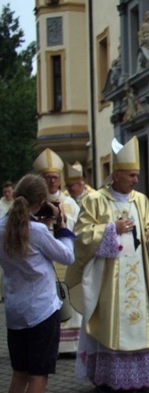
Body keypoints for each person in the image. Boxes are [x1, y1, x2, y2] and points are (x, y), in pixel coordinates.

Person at [65, 137, 149, 393]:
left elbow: (148, 228)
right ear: (116, 175)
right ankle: (108, 380)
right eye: (131, 175)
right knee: (111, 323)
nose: (135, 180)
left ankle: (139, 379)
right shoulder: (96, 200)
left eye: (137, 175)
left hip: (138, 279)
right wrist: (111, 229)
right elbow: (82, 235)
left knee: (137, 325)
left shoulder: (141, 201)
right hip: (109, 279)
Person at [0, 174, 75, 393]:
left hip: (15, 311)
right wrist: (61, 224)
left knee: (18, 375)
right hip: (41, 311)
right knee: (38, 377)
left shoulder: (3, 226)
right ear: (41, 202)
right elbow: (67, 257)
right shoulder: (38, 231)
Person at [32, 149, 81, 356]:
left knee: (67, 293)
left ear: (60, 179)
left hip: (65, 256)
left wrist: (62, 217)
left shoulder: (70, 203)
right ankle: (50, 343)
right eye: (47, 177)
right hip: (43, 257)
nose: (52, 181)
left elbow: (79, 227)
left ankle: (69, 346)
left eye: (55, 177)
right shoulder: (34, 204)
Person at [0, 182, 13, 303]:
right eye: (5, 192)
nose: (7, 194)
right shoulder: (0, 203)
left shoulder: (17, 203)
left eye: (9, 191)